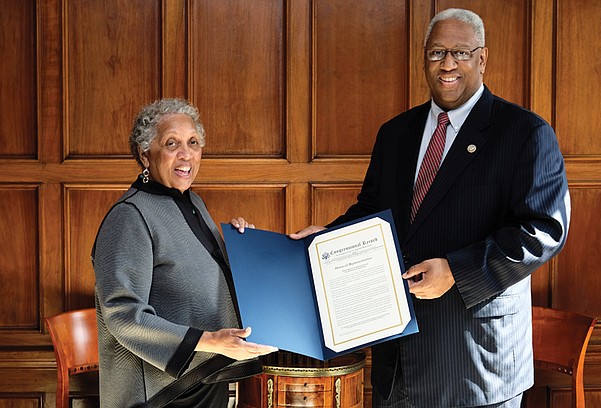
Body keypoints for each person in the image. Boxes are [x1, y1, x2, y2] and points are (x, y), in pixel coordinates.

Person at [290, 8, 570, 408]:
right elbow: (372, 212)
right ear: (425, 58)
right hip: (397, 357)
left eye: (460, 52)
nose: (448, 64)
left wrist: (457, 270)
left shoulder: (525, 133)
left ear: (482, 58)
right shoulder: (395, 134)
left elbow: (543, 231)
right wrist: (325, 238)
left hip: (474, 361)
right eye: (437, 53)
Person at [92, 98, 278, 408]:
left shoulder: (193, 203)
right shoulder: (129, 216)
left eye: (193, 142)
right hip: (159, 394)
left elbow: (196, 276)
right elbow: (122, 315)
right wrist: (209, 341)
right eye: (171, 143)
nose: (186, 153)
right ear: (145, 153)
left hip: (201, 375)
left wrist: (238, 248)